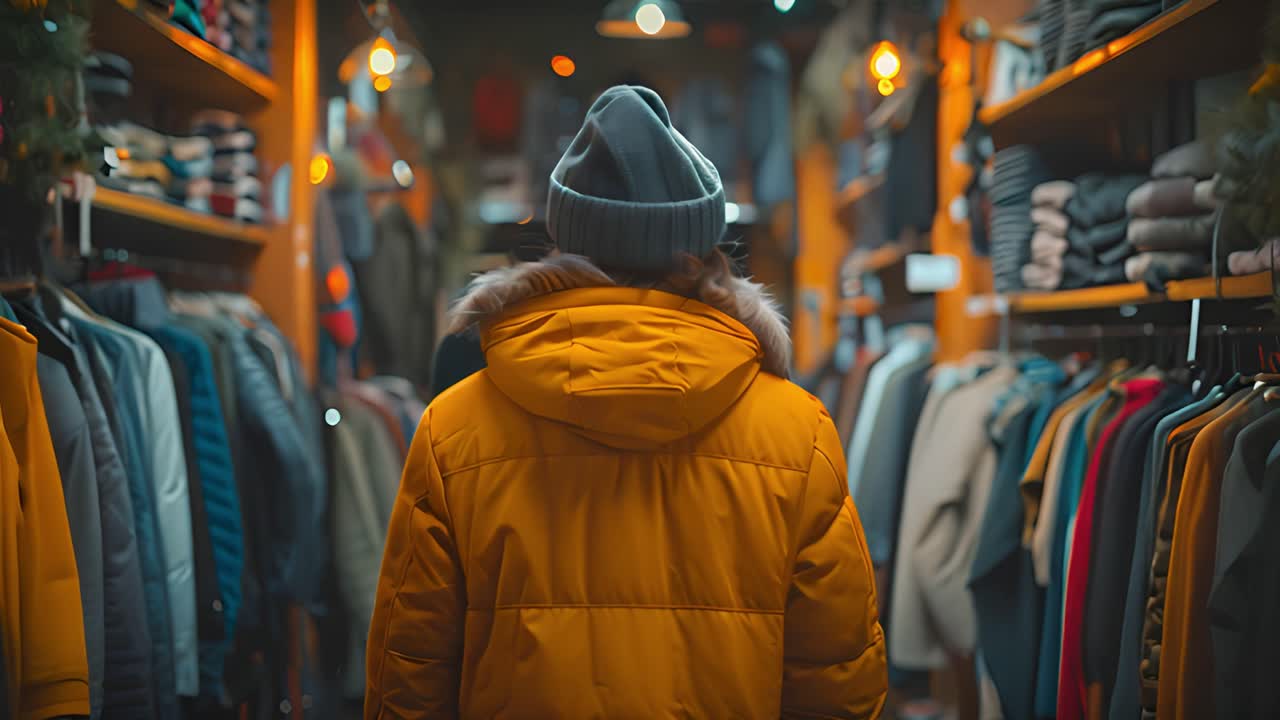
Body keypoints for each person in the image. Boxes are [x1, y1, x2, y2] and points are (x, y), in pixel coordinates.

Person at [364, 85, 887, 719]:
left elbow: (408, 676)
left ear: (565, 240)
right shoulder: (796, 433)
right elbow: (838, 680)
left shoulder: (454, 430)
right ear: (700, 248)